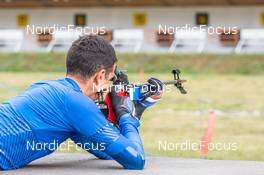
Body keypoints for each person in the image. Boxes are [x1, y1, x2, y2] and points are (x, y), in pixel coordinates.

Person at [0, 35, 163, 170]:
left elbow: (106, 151)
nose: (109, 86)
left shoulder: (46, 87)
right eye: (110, 79)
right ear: (100, 76)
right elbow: (136, 159)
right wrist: (128, 116)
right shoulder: (77, 104)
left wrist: (129, 115)